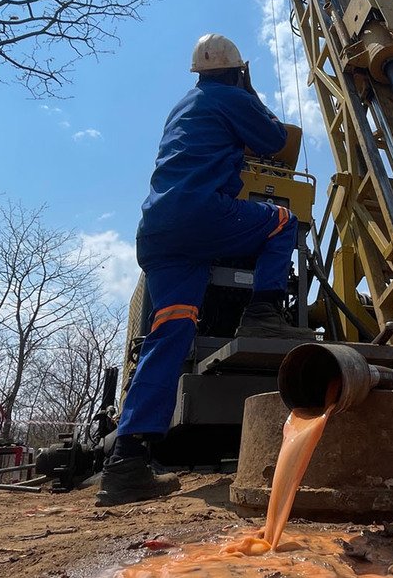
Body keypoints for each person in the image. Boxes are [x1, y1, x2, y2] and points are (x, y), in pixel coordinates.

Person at [96, 34, 314, 507]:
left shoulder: (183, 106)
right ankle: (262, 312)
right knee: (281, 222)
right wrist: (251, 96)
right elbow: (276, 140)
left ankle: (127, 464)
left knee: (171, 334)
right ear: (236, 71)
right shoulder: (231, 97)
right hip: (199, 215)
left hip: (158, 231)